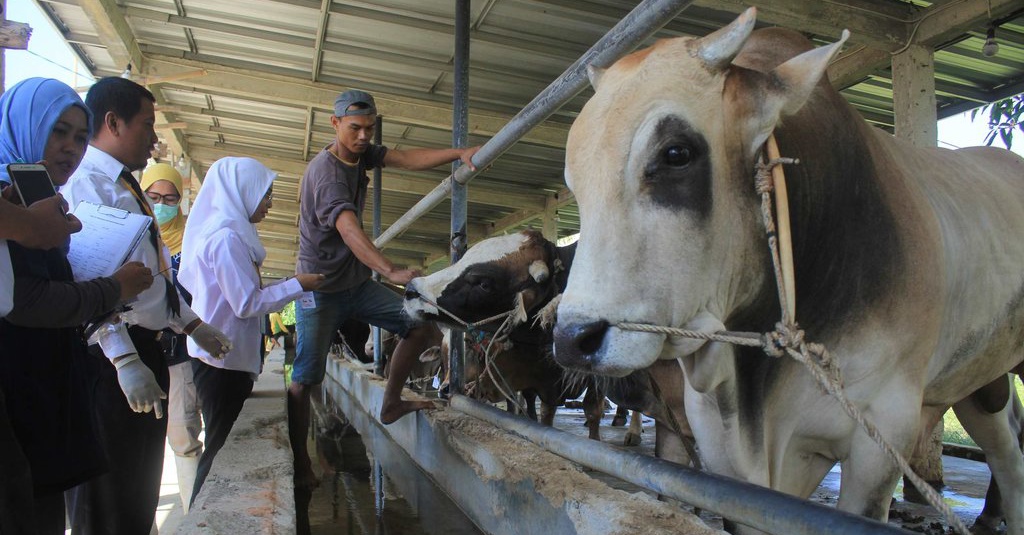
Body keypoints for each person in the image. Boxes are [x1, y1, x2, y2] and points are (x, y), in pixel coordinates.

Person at [61, 76, 232, 534]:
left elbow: (153, 275)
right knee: (107, 499)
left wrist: (192, 325)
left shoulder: (125, 184)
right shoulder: (88, 185)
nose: (154, 138)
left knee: (135, 492)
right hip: (111, 359)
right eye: (146, 125)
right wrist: (123, 357)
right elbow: (89, 278)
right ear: (113, 122)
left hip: (147, 348)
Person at [288, 89, 480, 488]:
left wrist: (458, 153)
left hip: (355, 285)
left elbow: (407, 159)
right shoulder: (325, 175)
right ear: (335, 124)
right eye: (355, 128)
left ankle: (391, 402)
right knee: (305, 378)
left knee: (420, 326)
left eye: (370, 129)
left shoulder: (361, 154)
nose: (363, 136)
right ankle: (300, 460)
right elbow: (348, 229)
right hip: (319, 289)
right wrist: (390, 269)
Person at [0, 78, 153, 533]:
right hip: (19, 390)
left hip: (47, 389)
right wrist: (114, 290)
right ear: (25, 127)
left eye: (79, 137)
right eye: (58, 131)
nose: (70, 147)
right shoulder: (13, 199)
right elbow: (27, 302)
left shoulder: (36, 200)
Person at [178, 156, 325, 504]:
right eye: (265, 195)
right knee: (219, 446)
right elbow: (246, 303)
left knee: (223, 442)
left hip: (225, 356)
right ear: (240, 192)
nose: (270, 203)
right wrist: (297, 285)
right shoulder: (226, 238)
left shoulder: (234, 232)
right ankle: (202, 514)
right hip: (219, 361)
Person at [141, 162, 204, 512]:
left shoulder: (189, 241)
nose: (161, 204)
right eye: (153, 197)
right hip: (136, 349)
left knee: (182, 433)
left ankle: (192, 513)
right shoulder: (133, 232)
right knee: (138, 446)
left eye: (169, 198)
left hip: (178, 350)